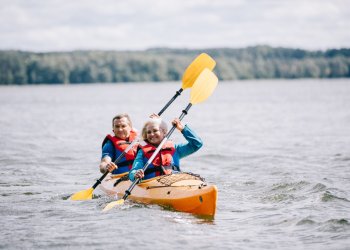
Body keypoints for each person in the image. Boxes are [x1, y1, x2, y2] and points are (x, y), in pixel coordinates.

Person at [129, 116, 203, 181]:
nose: (151, 134)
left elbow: (197, 144)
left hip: (175, 182)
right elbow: (134, 170)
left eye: (155, 130)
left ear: (164, 132)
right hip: (152, 186)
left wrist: (182, 129)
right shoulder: (142, 152)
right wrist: (135, 174)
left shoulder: (175, 149)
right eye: (149, 132)